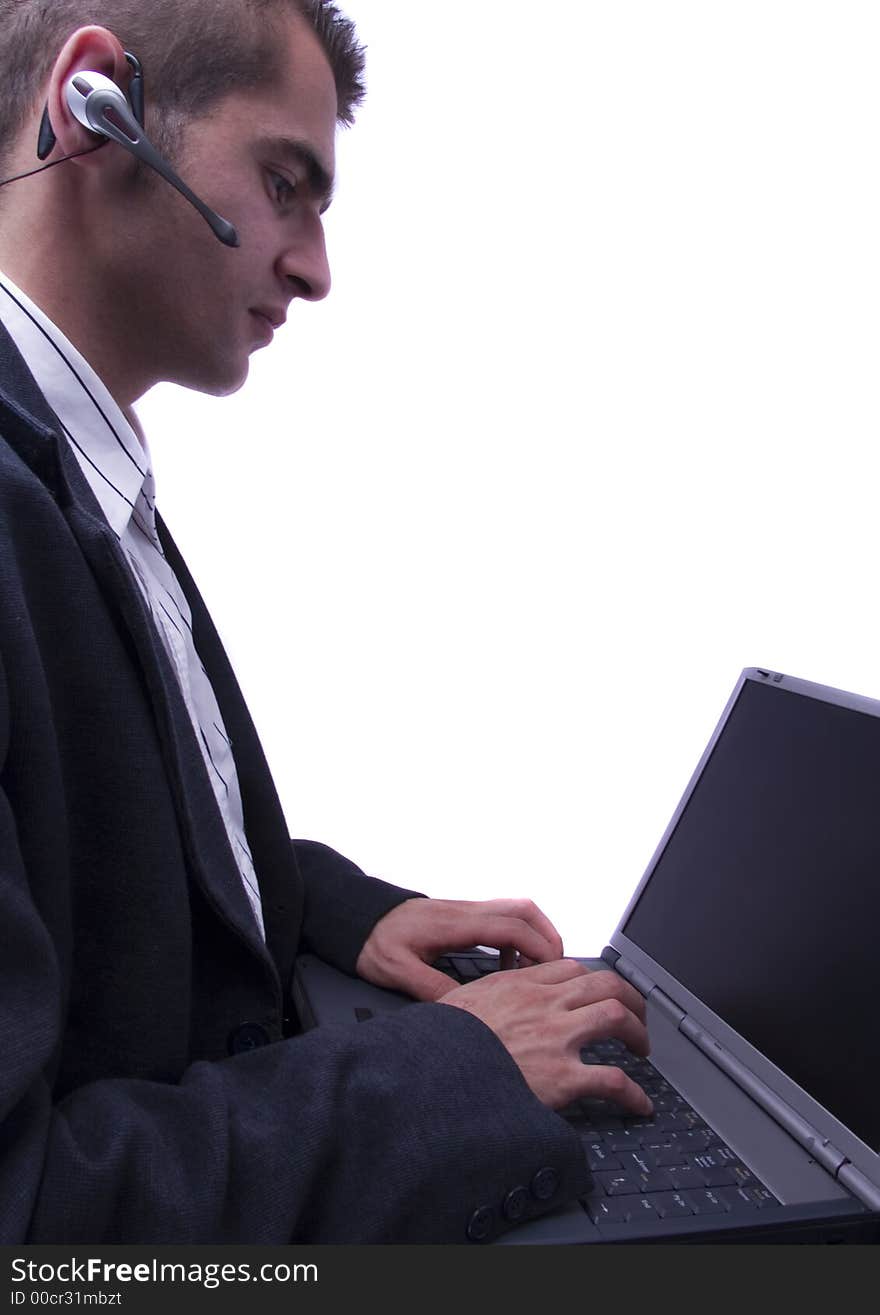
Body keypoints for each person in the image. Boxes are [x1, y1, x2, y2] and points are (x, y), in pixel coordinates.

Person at [0, 0, 652, 1244]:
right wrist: (452, 1070)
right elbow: (26, 1231)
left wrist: (332, 918)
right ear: (95, 107)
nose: (314, 268)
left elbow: (80, 858)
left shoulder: (76, 473)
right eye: (285, 184)